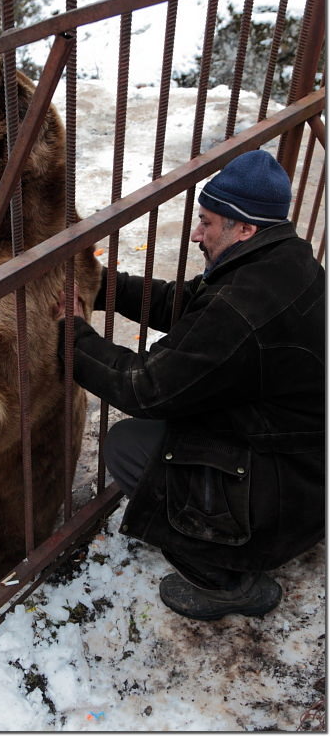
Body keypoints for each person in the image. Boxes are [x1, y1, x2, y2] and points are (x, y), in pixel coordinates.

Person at [54, 149, 325, 621]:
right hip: (305, 471)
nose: (196, 233)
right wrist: (102, 287)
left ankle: (225, 580)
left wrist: (71, 335)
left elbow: (145, 389)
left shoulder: (244, 309)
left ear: (244, 228)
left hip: (286, 500)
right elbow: (191, 307)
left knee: (129, 445)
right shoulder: (283, 261)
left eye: (207, 223)